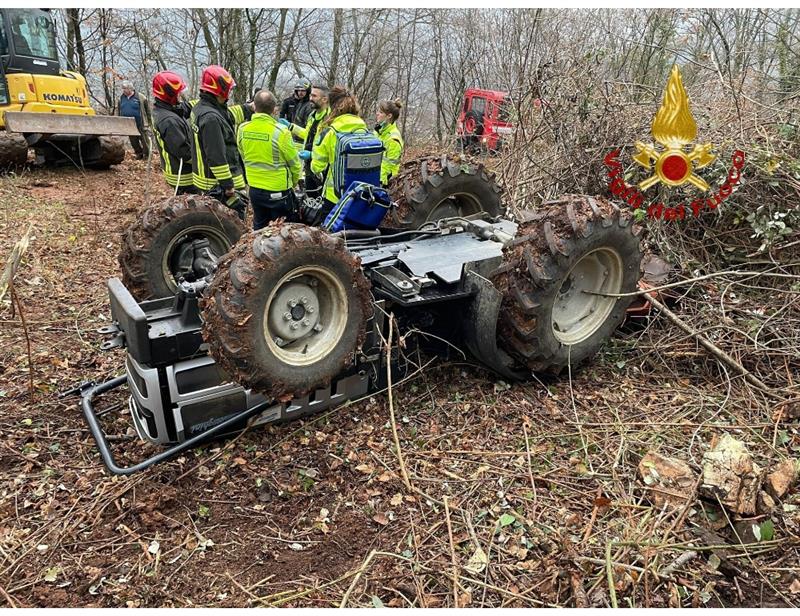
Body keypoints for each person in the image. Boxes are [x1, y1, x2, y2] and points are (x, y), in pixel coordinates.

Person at [189, 65, 253, 219]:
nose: (230, 93)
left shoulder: (201, 108)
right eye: (228, 90)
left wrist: (248, 108)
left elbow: (226, 115)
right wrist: (228, 186)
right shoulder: (211, 118)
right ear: (220, 90)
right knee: (229, 223)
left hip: (204, 178)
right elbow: (216, 156)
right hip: (217, 185)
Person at [237, 90, 301, 230]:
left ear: (254, 106)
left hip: (254, 189)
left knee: (259, 228)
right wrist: (293, 182)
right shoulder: (281, 132)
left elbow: (243, 155)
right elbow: (295, 164)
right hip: (279, 191)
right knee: (283, 231)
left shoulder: (242, 129)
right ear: (274, 109)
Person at [309, 86, 369, 221]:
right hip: (361, 195)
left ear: (332, 106)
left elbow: (317, 167)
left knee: (330, 236)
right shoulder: (364, 128)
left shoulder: (329, 131)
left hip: (335, 196)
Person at [279, 85, 330, 198]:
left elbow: (330, 147)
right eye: (311, 94)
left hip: (322, 169)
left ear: (324, 99)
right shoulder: (313, 115)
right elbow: (308, 134)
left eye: (314, 95)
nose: (310, 98)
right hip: (309, 166)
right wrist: (290, 126)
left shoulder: (330, 119)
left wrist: (312, 154)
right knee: (310, 198)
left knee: (320, 200)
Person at [151, 71, 196, 194]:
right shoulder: (169, 121)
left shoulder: (162, 109)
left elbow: (182, 109)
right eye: (177, 94)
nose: (180, 96)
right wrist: (206, 159)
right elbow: (185, 154)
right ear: (170, 95)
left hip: (178, 172)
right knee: (193, 208)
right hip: (183, 177)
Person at [116, 80, 152, 159]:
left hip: (141, 123)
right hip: (129, 124)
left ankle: (147, 155)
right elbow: (119, 111)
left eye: (125, 88)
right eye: (123, 88)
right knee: (133, 141)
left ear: (130, 89)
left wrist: (149, 122)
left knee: (145, 140)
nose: (123, 90)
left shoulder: (140, 97)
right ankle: (139, 153)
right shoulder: (121, 98)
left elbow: (148, 111)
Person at [374, 99, 405, 186]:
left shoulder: (393, 139)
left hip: (385, 183)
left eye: (380, 112)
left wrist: (378, 184)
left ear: (389, 116)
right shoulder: (379, 131)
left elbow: (388, 167)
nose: (377, 114)